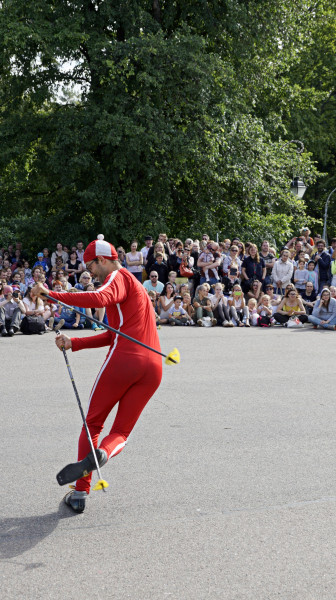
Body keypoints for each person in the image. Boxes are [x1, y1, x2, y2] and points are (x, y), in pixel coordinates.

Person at [32, 237, 162, 514]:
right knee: (121, 432)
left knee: (92, 424)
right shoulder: (134, 286)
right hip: (153, 368)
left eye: (90, 266)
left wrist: (54, 294)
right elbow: (114, 333)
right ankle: (102, 454)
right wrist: (75, 343)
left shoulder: (117, 276)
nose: (89, 273)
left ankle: (80, 493)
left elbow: (100, 298)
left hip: (125, 361)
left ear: (102, 259)